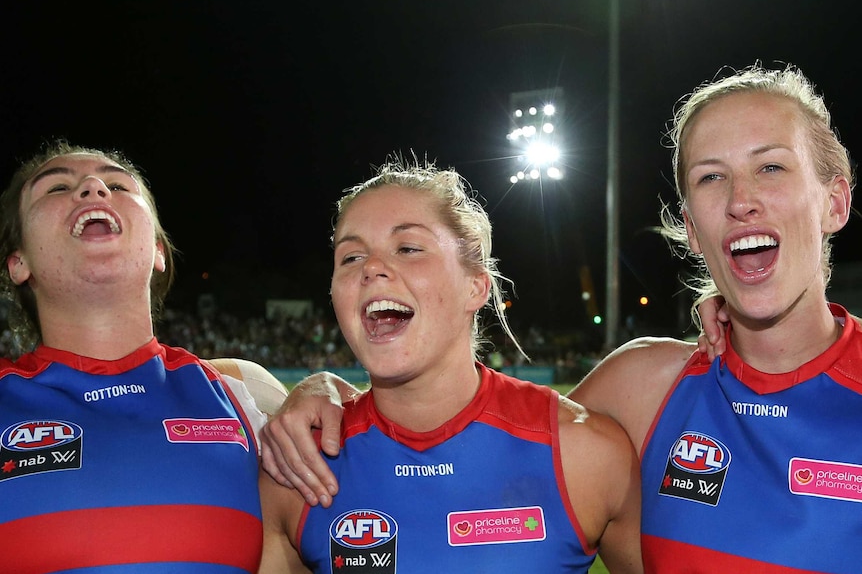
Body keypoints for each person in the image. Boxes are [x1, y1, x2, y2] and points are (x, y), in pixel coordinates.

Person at [261, 62, 861, 573]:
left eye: (771, 167)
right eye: (711, 177)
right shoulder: (642, 387)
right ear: (693, 227)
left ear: (835, 201)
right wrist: (322, 390)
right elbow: (486, 427)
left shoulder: (595, 439)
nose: (739, 199)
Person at [257, 158, 643, 573]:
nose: (370, 268)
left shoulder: (585, 454)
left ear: (476, 286)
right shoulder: (297, 474)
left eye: (407, 248)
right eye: (350, 257)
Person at [0, 141, 274, 572]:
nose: (92, 187)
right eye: (55, 188)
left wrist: (327, 389)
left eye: (117, 184)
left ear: (159, 251)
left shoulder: (245, 398)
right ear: (18, 262)